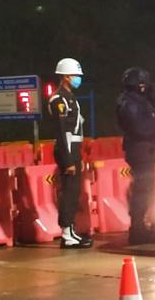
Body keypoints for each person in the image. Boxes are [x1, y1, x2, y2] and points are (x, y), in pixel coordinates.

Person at [116, 67, 155, 245]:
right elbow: (139, 127)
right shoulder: (130, 103)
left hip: (144, 149)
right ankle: (137, 229)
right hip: (140, 150)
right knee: (142, 190)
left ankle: (140, 227)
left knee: (145, 189)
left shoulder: (138, 101)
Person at [48, 57, 92, 249]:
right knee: (68, 192)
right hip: (66, 149)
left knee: (74, 193)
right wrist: (68, 161)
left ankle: (71, 230)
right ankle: (66, 233)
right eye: (75, 75)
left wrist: (78, 157)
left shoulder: (70, 98)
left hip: (73, 149)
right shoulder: (59, 100)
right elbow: (62, 132)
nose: (77, 79)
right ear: (65, 77)